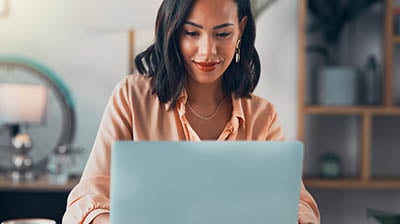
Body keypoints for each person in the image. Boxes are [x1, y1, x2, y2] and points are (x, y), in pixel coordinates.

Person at [63, 0, 320, 223]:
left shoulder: (262, 115)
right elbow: (86, 198)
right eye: (191, 33)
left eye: (222, 34)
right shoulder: (131, 97)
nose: (208, 51)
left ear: (240, 30)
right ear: (172, 31)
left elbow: (299, 203)